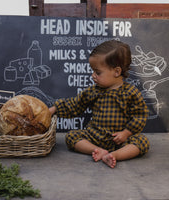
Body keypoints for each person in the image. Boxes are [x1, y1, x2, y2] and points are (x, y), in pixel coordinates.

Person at [49, 40, 150, 168]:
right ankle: (97, 150)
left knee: (142, 141)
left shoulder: (131, 93)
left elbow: (140, 115)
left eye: (97, 72)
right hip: (95, 136)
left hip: (119, 140)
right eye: (93, 71)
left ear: (117, 72)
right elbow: (75, 104)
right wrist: (54, 109)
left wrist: (126, 132)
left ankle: (115, 155)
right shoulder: (93, 91)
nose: (93, 76)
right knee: (71, 136)